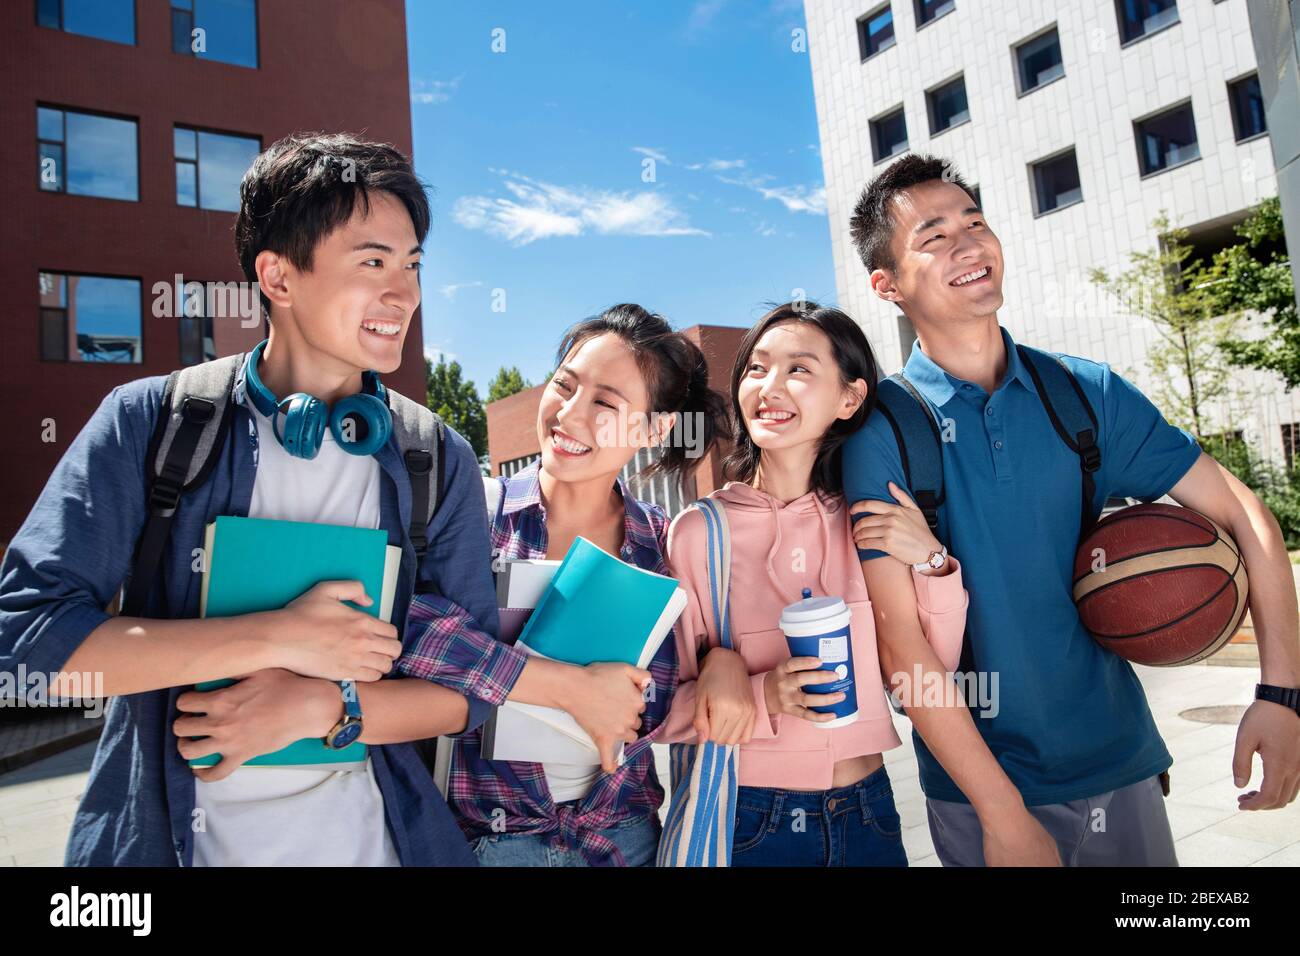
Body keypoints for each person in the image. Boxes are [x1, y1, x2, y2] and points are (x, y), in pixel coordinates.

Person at [0, 132, 493, 866]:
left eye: (413, 265)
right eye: (373, 262)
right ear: (278, 276)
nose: (405, 294)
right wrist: (278, 636)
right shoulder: (150, 424)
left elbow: (469, 693)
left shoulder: (436, 458)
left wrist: (327, 705)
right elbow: (26, 648)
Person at [842, 153, 1300, 866]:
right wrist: (1001, 812)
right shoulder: (881, 429)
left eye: (976, 222)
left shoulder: (1088, 394)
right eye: (933, 237)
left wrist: (1281, 695)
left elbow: (1246, 514)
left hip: (1120, 764)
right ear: (887, 284)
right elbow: (904, 649)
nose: (969, 243)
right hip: (977, 791)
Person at [400, 303, 730, 866]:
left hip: (622, 838)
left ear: (654, 428)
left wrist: (720, 669)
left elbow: (665, 701)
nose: (569, 414)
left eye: (604, 402)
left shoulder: (662, 545)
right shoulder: (478, 513)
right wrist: (564, 686)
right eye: (564, 384)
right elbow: (412, 633)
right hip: (491, 841)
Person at [659, 301, 968, 866]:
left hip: (869, 808)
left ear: (850, 398)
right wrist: (763, 696)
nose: (770, 387)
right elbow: (658, 707)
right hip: (750, 818)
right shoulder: (700, 533)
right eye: (757, 368)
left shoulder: (868, 518)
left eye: (798, 369)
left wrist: (932, 563)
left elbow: (924, 675)